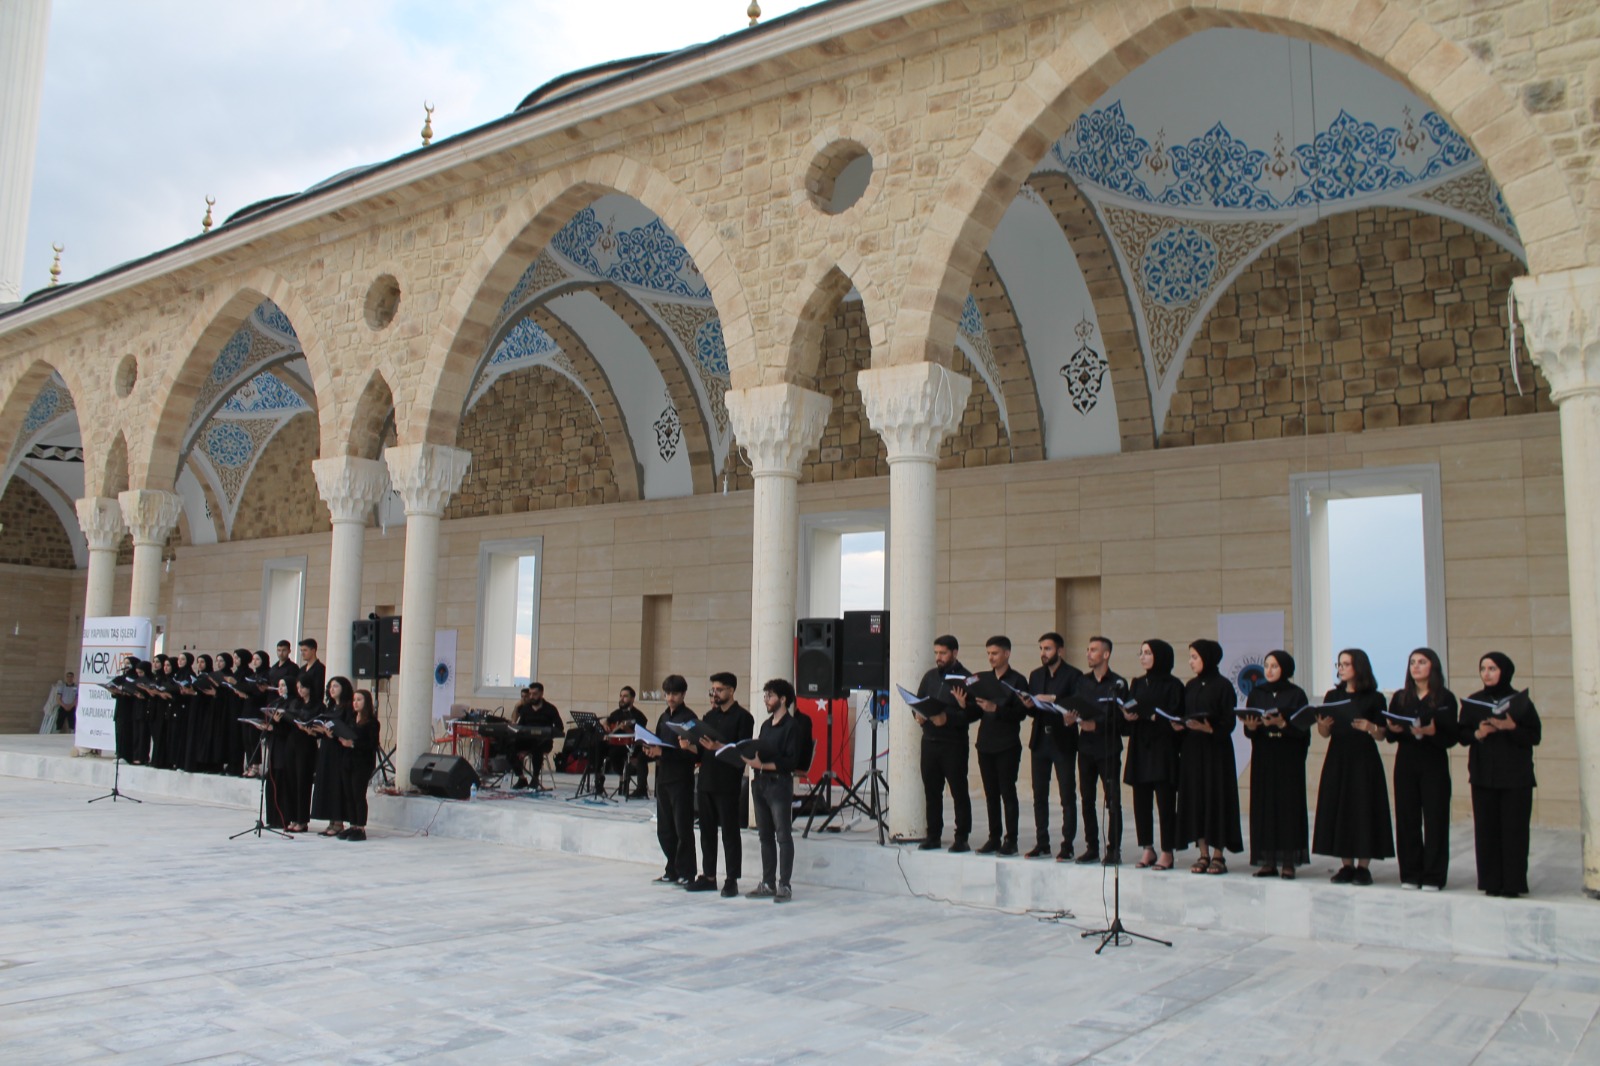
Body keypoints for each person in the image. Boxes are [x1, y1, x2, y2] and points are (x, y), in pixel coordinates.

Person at [1460, 652, 1542, 898]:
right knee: (1486, 831)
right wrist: (1479, 734)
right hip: (1484, 775)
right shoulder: (1474, 702)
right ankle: (1491, 882)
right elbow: (1462, 735)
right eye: (1483, 668)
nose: (1487, 673)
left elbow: (1534, 736)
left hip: (1515, 778)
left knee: (1514, 831)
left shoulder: (1521, 703)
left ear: (1504, 671)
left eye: (1492, 668)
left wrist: (1511, 727)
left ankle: (1513, 884)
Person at [1312, 648, 1396, 885]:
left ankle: (1363, 866)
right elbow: (1324, 734)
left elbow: (1382, 735)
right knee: (1340, 807)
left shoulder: (1374, 698)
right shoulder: (1332, 696)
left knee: (1363, 808)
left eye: (1346, 664)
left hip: (1363, 759)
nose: (1341, 668)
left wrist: (1370, 727)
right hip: (1338, 757)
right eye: (1339, 664)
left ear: (1358, 666)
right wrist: (1323, 724)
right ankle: (1346, 865)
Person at [1385, 647, 1459, 891]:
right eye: (1412, 662)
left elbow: (1451, 736)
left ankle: (1433, 876)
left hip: (1433, 762)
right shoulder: (1401, 697)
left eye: (1422, 662)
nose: (1415, 666)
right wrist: (1393, 730)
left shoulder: (1444, 698)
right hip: (1406, 762)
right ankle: (1410, 873)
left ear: (1433, 667)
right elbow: (1391, 734)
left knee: (1436, 818)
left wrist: (1432, 732)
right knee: (1407, 818)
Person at [950, 636, 1029, 855]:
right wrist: (964, 704)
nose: (991, 658)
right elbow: (976, 713)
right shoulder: (982, 680)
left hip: (1008, 744)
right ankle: (994, 837)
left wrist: (997, 709)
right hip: (985, 743)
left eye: (995, 653)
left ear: (1007, 653)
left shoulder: (1018, 681)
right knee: (991, 793)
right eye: (988, 654)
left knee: (1007, 792)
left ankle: (1010, 840)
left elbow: (1021, 714)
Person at [1242, 650, 1310, 879]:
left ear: (1285, 669)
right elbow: (1248, 730)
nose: (1269, 670)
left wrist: (1282, 724)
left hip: (1288, 755)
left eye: (1274, 666)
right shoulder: (1257, 693)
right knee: (1265, 804)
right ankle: (1268, 860)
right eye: (1266, 665)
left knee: (1288, 806)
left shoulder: (1296, 694)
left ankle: (1288, 861)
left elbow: (1303, 730)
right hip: (1264, 754)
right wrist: (1251, 727)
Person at [1176, 639, 1242, 875]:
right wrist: (1180, 725)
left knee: (1216, 798)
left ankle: (1218, 854)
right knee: (1197, 798)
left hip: (1216, 751)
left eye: (1195, 657)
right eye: (1190, 657)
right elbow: (1184, 714)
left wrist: (1209, 729)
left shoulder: (1223, 686)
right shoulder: (1191, 686)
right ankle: (1203, 853)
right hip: (1193, 750)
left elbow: (1229, 722)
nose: (1191, 662)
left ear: (1208, 658)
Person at [686, 673, 755, 897]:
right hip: (706, 779)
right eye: (713, 689)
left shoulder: (743, 717)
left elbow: (742, 752)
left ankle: (732, 879)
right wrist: (689, 744)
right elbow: (703, 747)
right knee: (706, 831)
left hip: (727, 781)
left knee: (729, 832)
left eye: (720, 689)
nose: (715, 694)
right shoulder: (709, 715)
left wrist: (719, 746)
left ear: (732, 691)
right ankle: (708, 876)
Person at [1122, 640, 1183, 872]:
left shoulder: (1173, 684)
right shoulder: (1137, 682)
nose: (1143, 657)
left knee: (1166, 802)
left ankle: (1167, 850)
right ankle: (1147, 847)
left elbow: (1177, 714)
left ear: (1160, 656)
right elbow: (1130, 705)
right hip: (1140, 745)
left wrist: (1158, 718)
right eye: (1141, 653)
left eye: (1147, 653)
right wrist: (1128, 716)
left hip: (1163, 748)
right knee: (1141, 801)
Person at [744, 678, 804, 903]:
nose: (766, 700)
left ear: (783, 699)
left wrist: (763, 765)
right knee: (764, 835)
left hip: (779, 783)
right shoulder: (766, 726)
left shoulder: (792, 726)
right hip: (760, 782)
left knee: (783, 834)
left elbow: (790, 761)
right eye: (765, 696)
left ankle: (784, 884)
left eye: (770, 696)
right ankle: (767, 882)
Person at [913, 635, 973, 852]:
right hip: (929, 741)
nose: (938, 657)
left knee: (958, 790)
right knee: (931, 790)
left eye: (943, 653)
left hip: (953, 743)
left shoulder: (966, 679)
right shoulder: (930, 677)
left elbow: (973, 713)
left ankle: (962, 837)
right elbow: (919, 702)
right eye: (936, 653)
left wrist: (950, 716)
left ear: (954, 653)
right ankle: (933, 835)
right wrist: (917, 715)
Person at [1023, 633, 1080, 860]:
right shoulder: (1036, 675)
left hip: (1063, 739)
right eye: (1041, 649)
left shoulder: (1073, 675)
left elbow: (1075, 702)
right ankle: (1042, 841)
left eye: (1048, 649)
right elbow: (1032, 710)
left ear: (1060, 650)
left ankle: (1068, 843)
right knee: (1039, 794)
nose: (1043, 653)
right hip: (1040, 739)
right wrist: (1028, 704)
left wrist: (1053, 698)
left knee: (1067, 794)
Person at [1069, 636, 1125, 865]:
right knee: (1087, 798)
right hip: (1086, 747)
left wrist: (1097, 725)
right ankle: (1092, 846)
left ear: (1106, 654)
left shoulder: (1118, 683)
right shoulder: (1082, 681)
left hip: (1108, 748)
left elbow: (1120, 718)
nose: (1088, 654)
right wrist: (1071, 717)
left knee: (1112, 800)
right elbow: (1077, 705)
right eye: (1088, 649)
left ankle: (1114, 849)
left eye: (1093, 650)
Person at [644, 674, 699, 885]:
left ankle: (687, 871)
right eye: (667, 693)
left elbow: (692, 753)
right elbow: (659, 743)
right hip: (663, 778)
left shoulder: (689, 718)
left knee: (682, 828)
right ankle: (672, 868)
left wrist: (663, 753)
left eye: (674, 694)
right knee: (664, 828)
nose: (670, 698)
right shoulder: (664, 717)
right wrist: (651, 750)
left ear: (683, 694)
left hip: (681, 779)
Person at [311, 675, 355, 837]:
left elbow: (348, 729)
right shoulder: (329, 708)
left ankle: (338, 822)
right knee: (327, 783)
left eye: (335, 686)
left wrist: (334, 734)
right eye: (330, 687)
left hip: (339, 750)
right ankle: (331, 820)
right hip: (327, 750)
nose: (332, 689)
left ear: (343, 688)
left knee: (337, 785)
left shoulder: (348, 708)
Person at [338, 688, 382, 841]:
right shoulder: (351, 719)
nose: (355, 703)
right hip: (348, 760)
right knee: (348, 794)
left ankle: (361, 828)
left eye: (359, 700)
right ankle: (353, 825)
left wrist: (353, 744)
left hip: (362, 763)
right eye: (354, 700)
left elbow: (372, 744)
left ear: (366, 702)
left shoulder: (372, 723)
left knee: (358, 794)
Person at [283, 676, 323, 833]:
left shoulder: (318, 705)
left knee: (302, 781)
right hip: (292, 741)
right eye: (298, 687)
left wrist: (310, 729)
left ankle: (302, 820)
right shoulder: (295, 703)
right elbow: (290, 717)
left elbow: (319, 726)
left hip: (306, 744)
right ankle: (292, 817)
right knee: (291, 780)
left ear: (310, 688)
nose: (300, 690)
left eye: (303, 687)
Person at [509, 683, 563, 789]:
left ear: (541, 694)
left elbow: (559, 727)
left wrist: (548, 733)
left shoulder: (550, 709)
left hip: (544, 741)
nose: (532, 697)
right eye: (530, 694)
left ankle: (535, 778)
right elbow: (520, 726)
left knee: (537, 748)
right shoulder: (526, 709)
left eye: (535, 694)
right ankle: (521, 778)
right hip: (527, 740)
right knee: (509, 747)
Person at [600, 686, 649, 798]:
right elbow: (608, 721)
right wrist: (606, 724)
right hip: (614, 744)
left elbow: (640, 734)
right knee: (597, 747)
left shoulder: (639, 716)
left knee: (614, 753)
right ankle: (599, 782)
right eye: (621, 696)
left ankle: (627, 774)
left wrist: (626, 728)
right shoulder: (616, 713)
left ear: (632, 699)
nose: (622, 699)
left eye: (625, 696)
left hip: (631, 746)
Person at [296, 638, 326, 712]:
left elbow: (318, 690)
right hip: (302, 705)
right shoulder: (302, 669)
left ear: (313, 651)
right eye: (301, 651)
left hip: (314, 707)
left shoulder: (320, 668)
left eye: (305, 650)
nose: (302, 653)